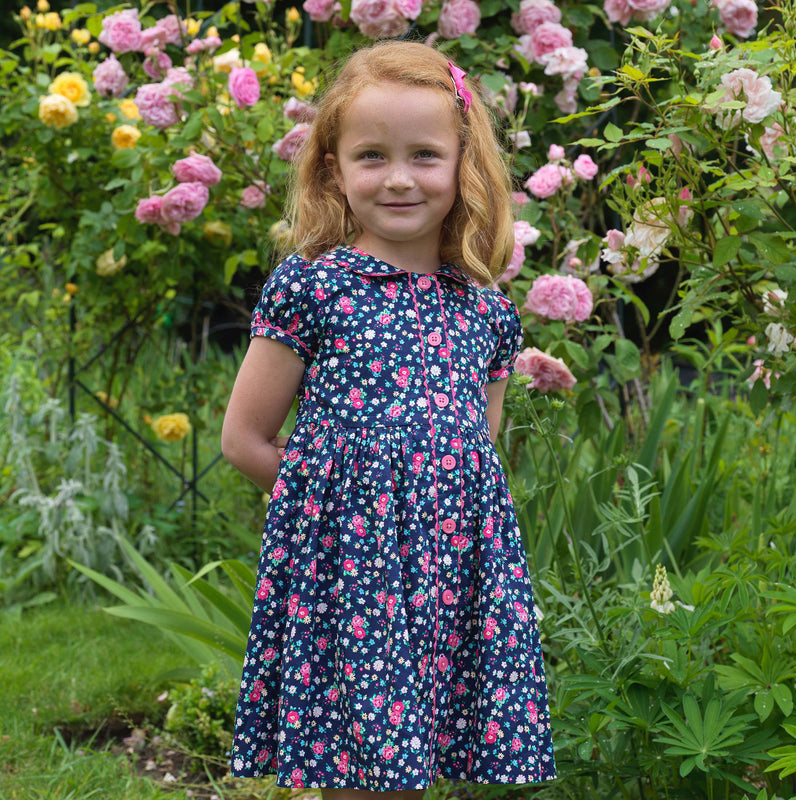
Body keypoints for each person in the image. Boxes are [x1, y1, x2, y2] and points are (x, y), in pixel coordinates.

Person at [221, 38, 556, 800]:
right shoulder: (314, 289)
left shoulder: (486, 310)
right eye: (372, 155)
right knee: (361, 774)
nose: (400, 178)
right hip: (351, 574)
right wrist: (337, 507)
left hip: (452, 573)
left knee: (416, 769)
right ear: (334, 167)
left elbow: (476, 450)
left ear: (462, 165)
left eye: (425, 156)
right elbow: (243, 440)